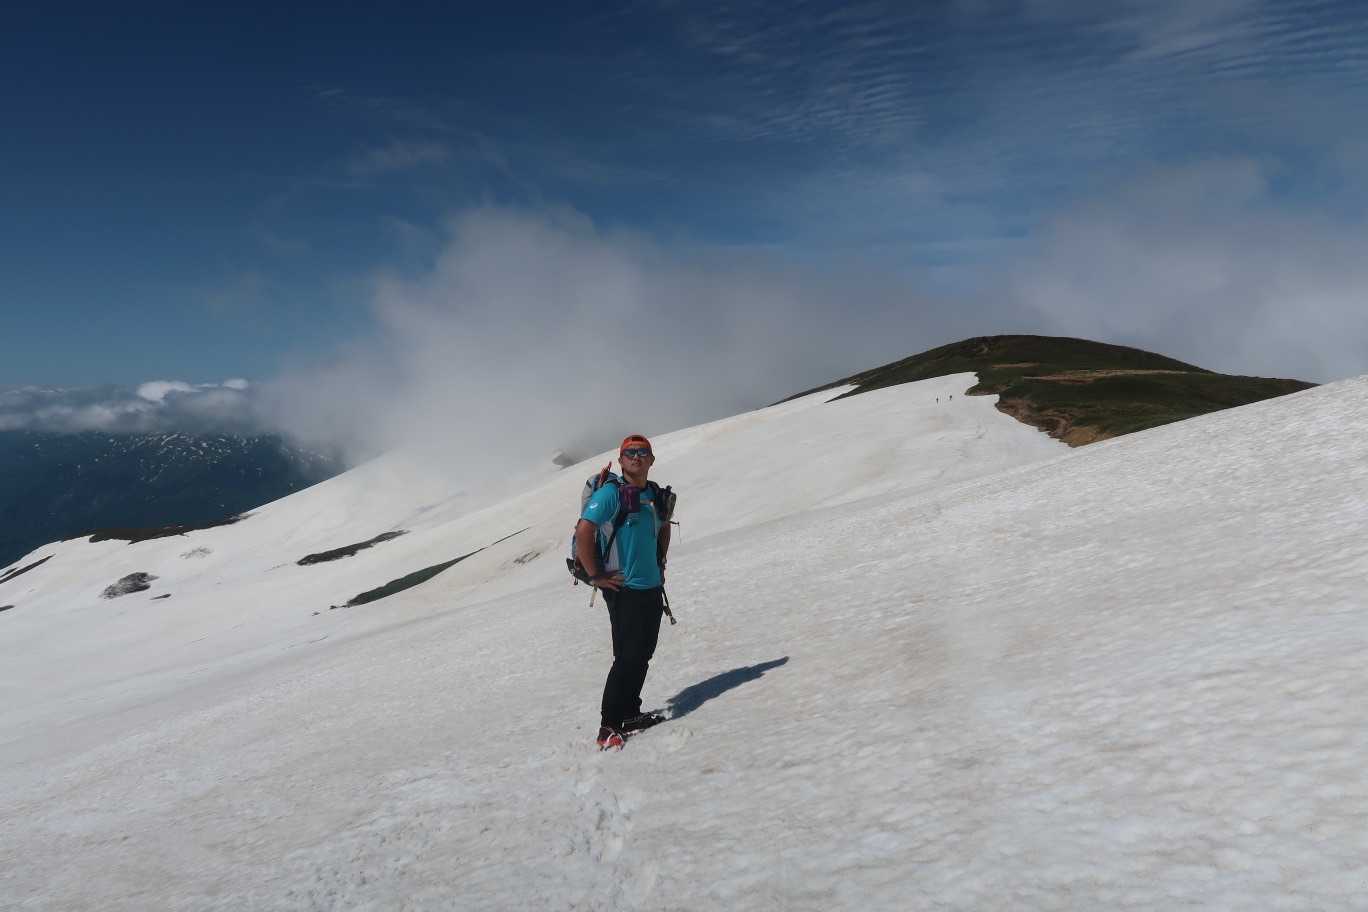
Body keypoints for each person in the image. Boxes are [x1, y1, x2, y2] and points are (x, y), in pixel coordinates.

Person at [574, 434, 671, 750]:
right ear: (621, 460)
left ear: (651, 460)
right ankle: (609, 725)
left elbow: (663, 526)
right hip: (623, 588)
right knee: (627, 656)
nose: (637, 457)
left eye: (643, 452)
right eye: (630, 453)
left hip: (651, 586)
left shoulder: (653, 494)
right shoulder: (610, 494)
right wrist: (596, 575)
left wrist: (661, 563)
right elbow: (584, 530)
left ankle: (629, 713)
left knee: (643, 653)